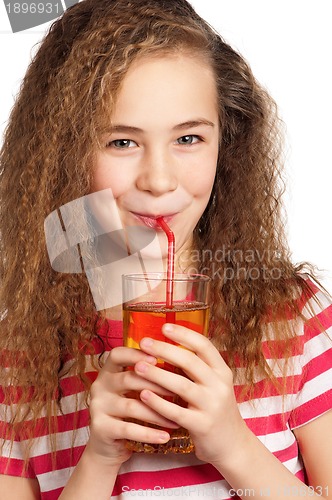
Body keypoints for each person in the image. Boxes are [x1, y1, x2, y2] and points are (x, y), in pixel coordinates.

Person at [0, 0, 331, 498]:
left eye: (189, 137)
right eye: (121, 143)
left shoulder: (295, 319)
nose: (158, 180)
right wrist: (100, 458)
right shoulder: (19, 359)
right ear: (61, 154)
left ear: (229, 142)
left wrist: (234, 446)